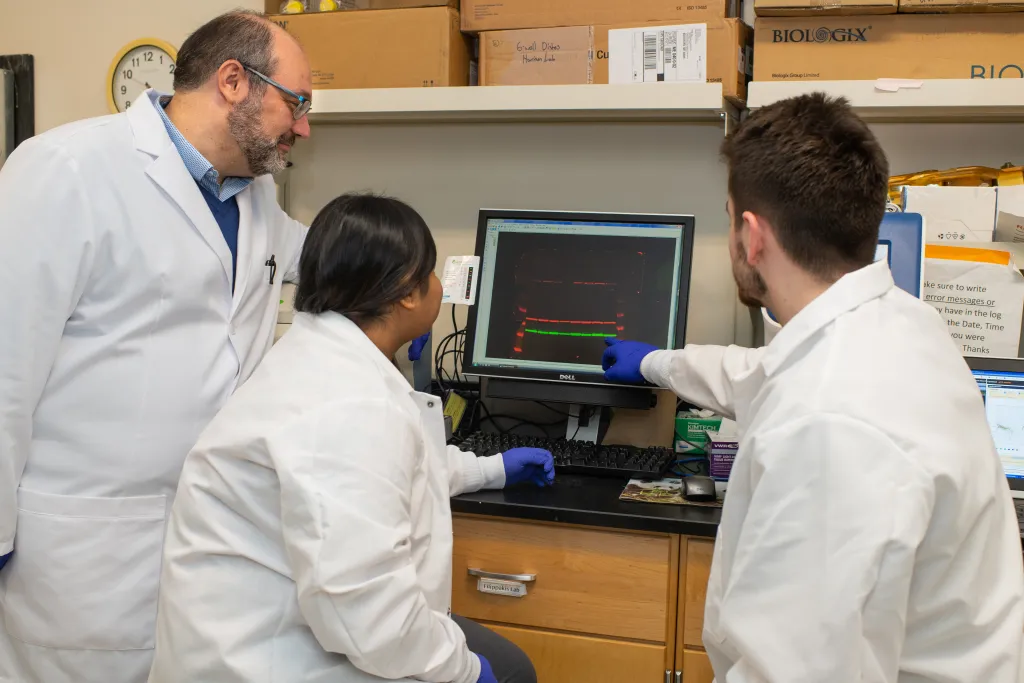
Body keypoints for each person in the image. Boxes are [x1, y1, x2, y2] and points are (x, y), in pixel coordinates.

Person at [603, 93, 1024, 682]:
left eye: (729, 217)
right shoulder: (899, 323)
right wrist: (657, 363)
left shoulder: (828, 424)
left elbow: (795, 672)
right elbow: (759, 375)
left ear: (752, 236)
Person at [0, 11, 311, 683]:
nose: (305, 125)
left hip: (206, 542)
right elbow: (4, 373)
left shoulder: (255, 197)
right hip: (84, 555)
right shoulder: (66, 170)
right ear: (234, 81)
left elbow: (319, 257)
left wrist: (406, 278)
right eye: (297, 101)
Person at [148, 193, 552, 683]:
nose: (436, 288)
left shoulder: (319, 361)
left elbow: (386, 475)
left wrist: (490, 468)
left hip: (297, 627)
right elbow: (368, 611)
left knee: (507, 662)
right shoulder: (347, 404)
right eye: (430, 275)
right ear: (406, 292)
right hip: (283, 658)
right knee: (506, 671)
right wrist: (463, 671)